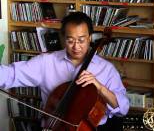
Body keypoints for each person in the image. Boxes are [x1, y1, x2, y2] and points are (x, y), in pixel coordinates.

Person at [0, 12, 129, 129]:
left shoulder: (106, 69)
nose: (76, 46)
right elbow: (11, 74)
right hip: (52, 127)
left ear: (90, 38)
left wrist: (100, 88)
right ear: (63, 38)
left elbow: (123, 108)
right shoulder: (46, 62)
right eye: (70, 40)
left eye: (81, 40)